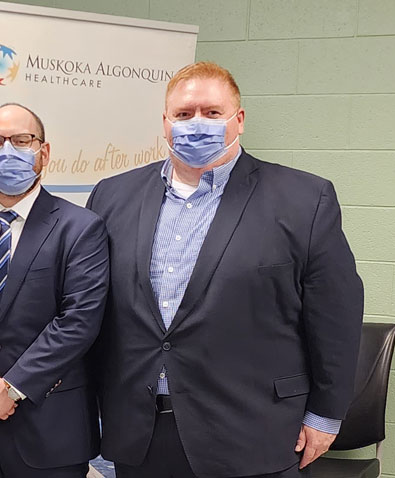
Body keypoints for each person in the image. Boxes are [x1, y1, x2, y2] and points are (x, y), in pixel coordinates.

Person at [86, 61, 365, 478]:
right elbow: (94, 314)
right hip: (140, 436)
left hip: (254, 433)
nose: (196, 124)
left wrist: (325, 416)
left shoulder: (303, 199)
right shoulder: (112, 196)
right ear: (165, 123)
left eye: (212, 113)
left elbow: (336, 318)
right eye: (183, 114)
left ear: (239, 120)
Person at [0, 103, 110, 478]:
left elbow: (78, 321)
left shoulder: (81, 228)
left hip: (52, 431)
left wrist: (11, 389)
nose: (7, 150)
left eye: (21, 140)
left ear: (43, 153)